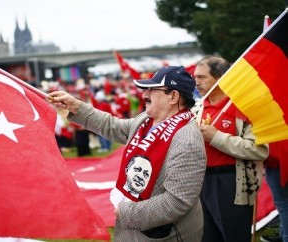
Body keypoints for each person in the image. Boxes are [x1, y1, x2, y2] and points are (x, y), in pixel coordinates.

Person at [47, 66, 207, 242]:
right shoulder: (146, 119)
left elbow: (177, 202)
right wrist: (76, 106)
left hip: (164, 235)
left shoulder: (187, 139)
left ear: (173, 96)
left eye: (152, 90)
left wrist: (124, 211)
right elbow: (112, 126)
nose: (145, 95)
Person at [193, 55, 269, 242]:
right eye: (195, 77)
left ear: (221, 77)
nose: (196, 82)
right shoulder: (197, 108)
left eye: (202, 77)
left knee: (233, 236)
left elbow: (259, 149)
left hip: (231, 182)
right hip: (201, 182)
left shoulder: (243, 107)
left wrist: (216, 137)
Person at [260, 142, 288, 242]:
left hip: (278, 162)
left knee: (283, 205)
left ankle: (285, 237)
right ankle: (283, 233)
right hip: (279, 160)